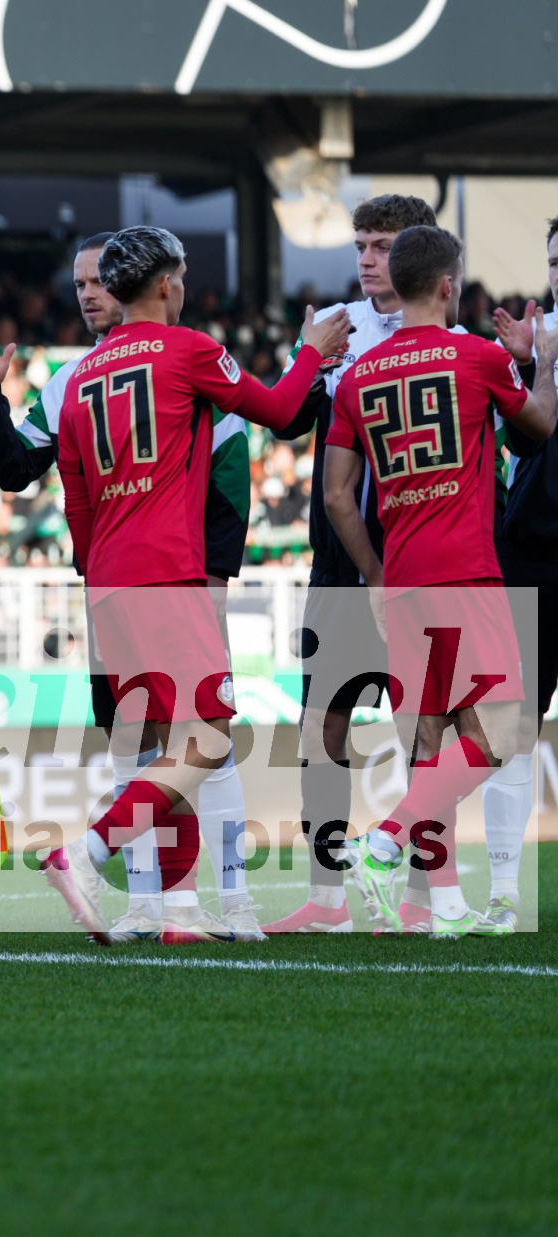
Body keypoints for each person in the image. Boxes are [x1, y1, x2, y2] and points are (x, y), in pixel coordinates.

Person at [39, 226, 349, 944]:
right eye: (180, 277)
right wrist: (311, 352)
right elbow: (280, 413)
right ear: (165, 283)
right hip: (167, 573)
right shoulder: (189, 349)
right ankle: (85, 853)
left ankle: (179, 912)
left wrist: (100, 573)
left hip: (108, 582)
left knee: (168, 744)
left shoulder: (78, 379)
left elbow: (77, 503)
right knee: (208, 737)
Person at [0, 234, 271, 941]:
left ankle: (229, 901)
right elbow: (14, 469)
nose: (88, 293)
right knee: (148, 737)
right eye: (78, 283)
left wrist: (217, 577)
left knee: (197, 736)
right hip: (122, 583)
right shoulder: (71, 380)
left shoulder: (177, 359)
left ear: (131, 281)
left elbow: (229, 470)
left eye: (99, 279)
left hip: (175, 577)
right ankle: (156, 904)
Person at [323, 225, 555, 936]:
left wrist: (374, 572)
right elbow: (540, 426)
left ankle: (446, 906)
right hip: (466, 571)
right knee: (500, 733)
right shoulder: (478, 357)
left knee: (430, 738)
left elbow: (337, 495)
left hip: (402, 577)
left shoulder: (359, 375)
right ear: (449, 285)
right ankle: (385, 840)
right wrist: (544, 362)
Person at [265, 195, 437, 934]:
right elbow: (285, 419)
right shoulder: (335, 326)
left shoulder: (450, 338)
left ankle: (426, 894)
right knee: (322, 729)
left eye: (382, 245)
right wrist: (312, 357)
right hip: (339, 567)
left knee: (423, 728)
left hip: (420, 563)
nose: (366, 259)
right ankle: (327, 896)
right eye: (361, 245)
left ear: (419, 251)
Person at [481, 224, 558, 930]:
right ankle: (505, 890)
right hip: (530, 552)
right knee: (513, 724)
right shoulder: (533, 341)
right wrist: (531, 365)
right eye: (555, 263)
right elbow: (517, 440)